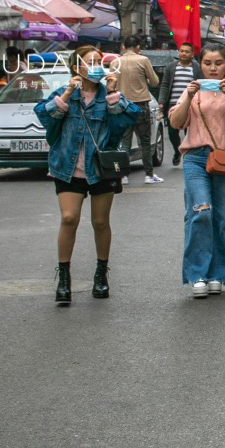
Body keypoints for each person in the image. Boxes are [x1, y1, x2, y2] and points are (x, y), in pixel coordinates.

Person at [34, 46, 139, 304]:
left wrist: (113, 92)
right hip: (67, 168)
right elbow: (45, 116)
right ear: (76, 68)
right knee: (69, 218)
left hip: (101, 169)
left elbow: (127, 120)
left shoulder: (109, 95)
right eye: (89, 62)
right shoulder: (65, 94)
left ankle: (101, 274)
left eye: (98, 62)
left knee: (100, 222)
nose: (96, 66)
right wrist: (69, 91)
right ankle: (64, 279)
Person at [167, 43, 225, 298]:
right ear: (200, 65)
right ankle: (197, 274)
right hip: (195, 158)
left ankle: (219, 274)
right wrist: (189, 95)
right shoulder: (192, 89)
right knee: (201, 212)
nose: (213, 68)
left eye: (218, 63)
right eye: (207, 63)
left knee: (224, 218)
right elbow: (175, 121)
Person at [115, 34, 163, 183]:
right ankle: (149, 175)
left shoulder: (116, 62)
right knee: (145, 142)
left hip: (122, 105)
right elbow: (155, 81)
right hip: (141, 104)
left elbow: (111, 83)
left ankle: (124, 175)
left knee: (124, 142)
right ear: (138, 47)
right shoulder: (143, 60)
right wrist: (145, 80)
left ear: (123, 46)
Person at [158, 41, 197, 165]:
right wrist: (161, 101)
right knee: (172, 132)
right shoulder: (171, 67)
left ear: (192, 54)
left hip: (191, 105)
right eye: (182, 51)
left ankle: (188, 156)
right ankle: (177, 150)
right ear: (178, 52)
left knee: (189, 132)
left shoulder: (196, 67)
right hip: (173, 105)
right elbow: (164, 85)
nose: (184, 53)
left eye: (187, 51)